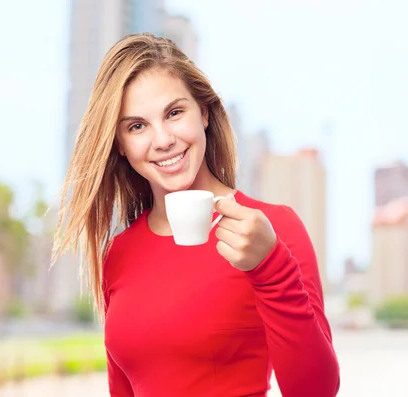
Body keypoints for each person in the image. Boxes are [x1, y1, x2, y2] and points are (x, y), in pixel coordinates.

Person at [52, 33, 340, 397]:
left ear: (203, 112)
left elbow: (316, 391)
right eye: (137, 126)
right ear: (120, 145)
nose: (163, 140)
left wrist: (271, 268)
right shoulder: (118, 253)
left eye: (174, 113)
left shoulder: (271, 229)